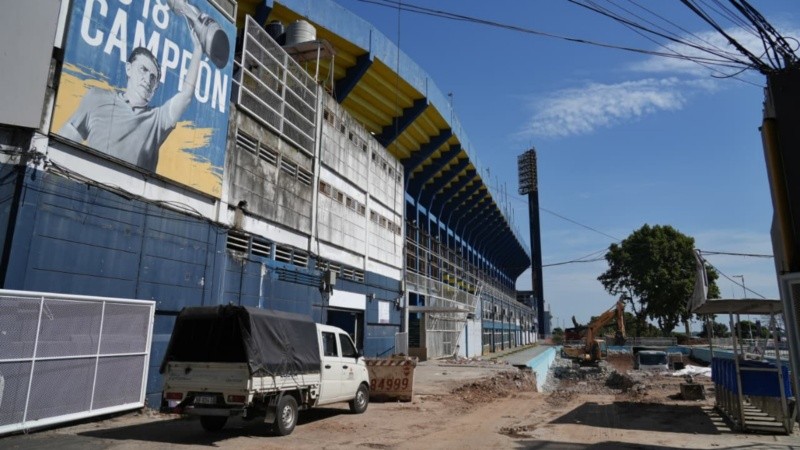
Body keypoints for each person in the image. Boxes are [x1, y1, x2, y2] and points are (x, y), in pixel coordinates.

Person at [59, 20, 202, 172]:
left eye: (153, 77)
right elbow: (62, 146)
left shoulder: (158, 119)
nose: (148, 79)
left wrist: (198, 50)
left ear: (156, 87)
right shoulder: (96, 97)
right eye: (143, 69)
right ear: (128, 68)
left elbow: (186, 95)